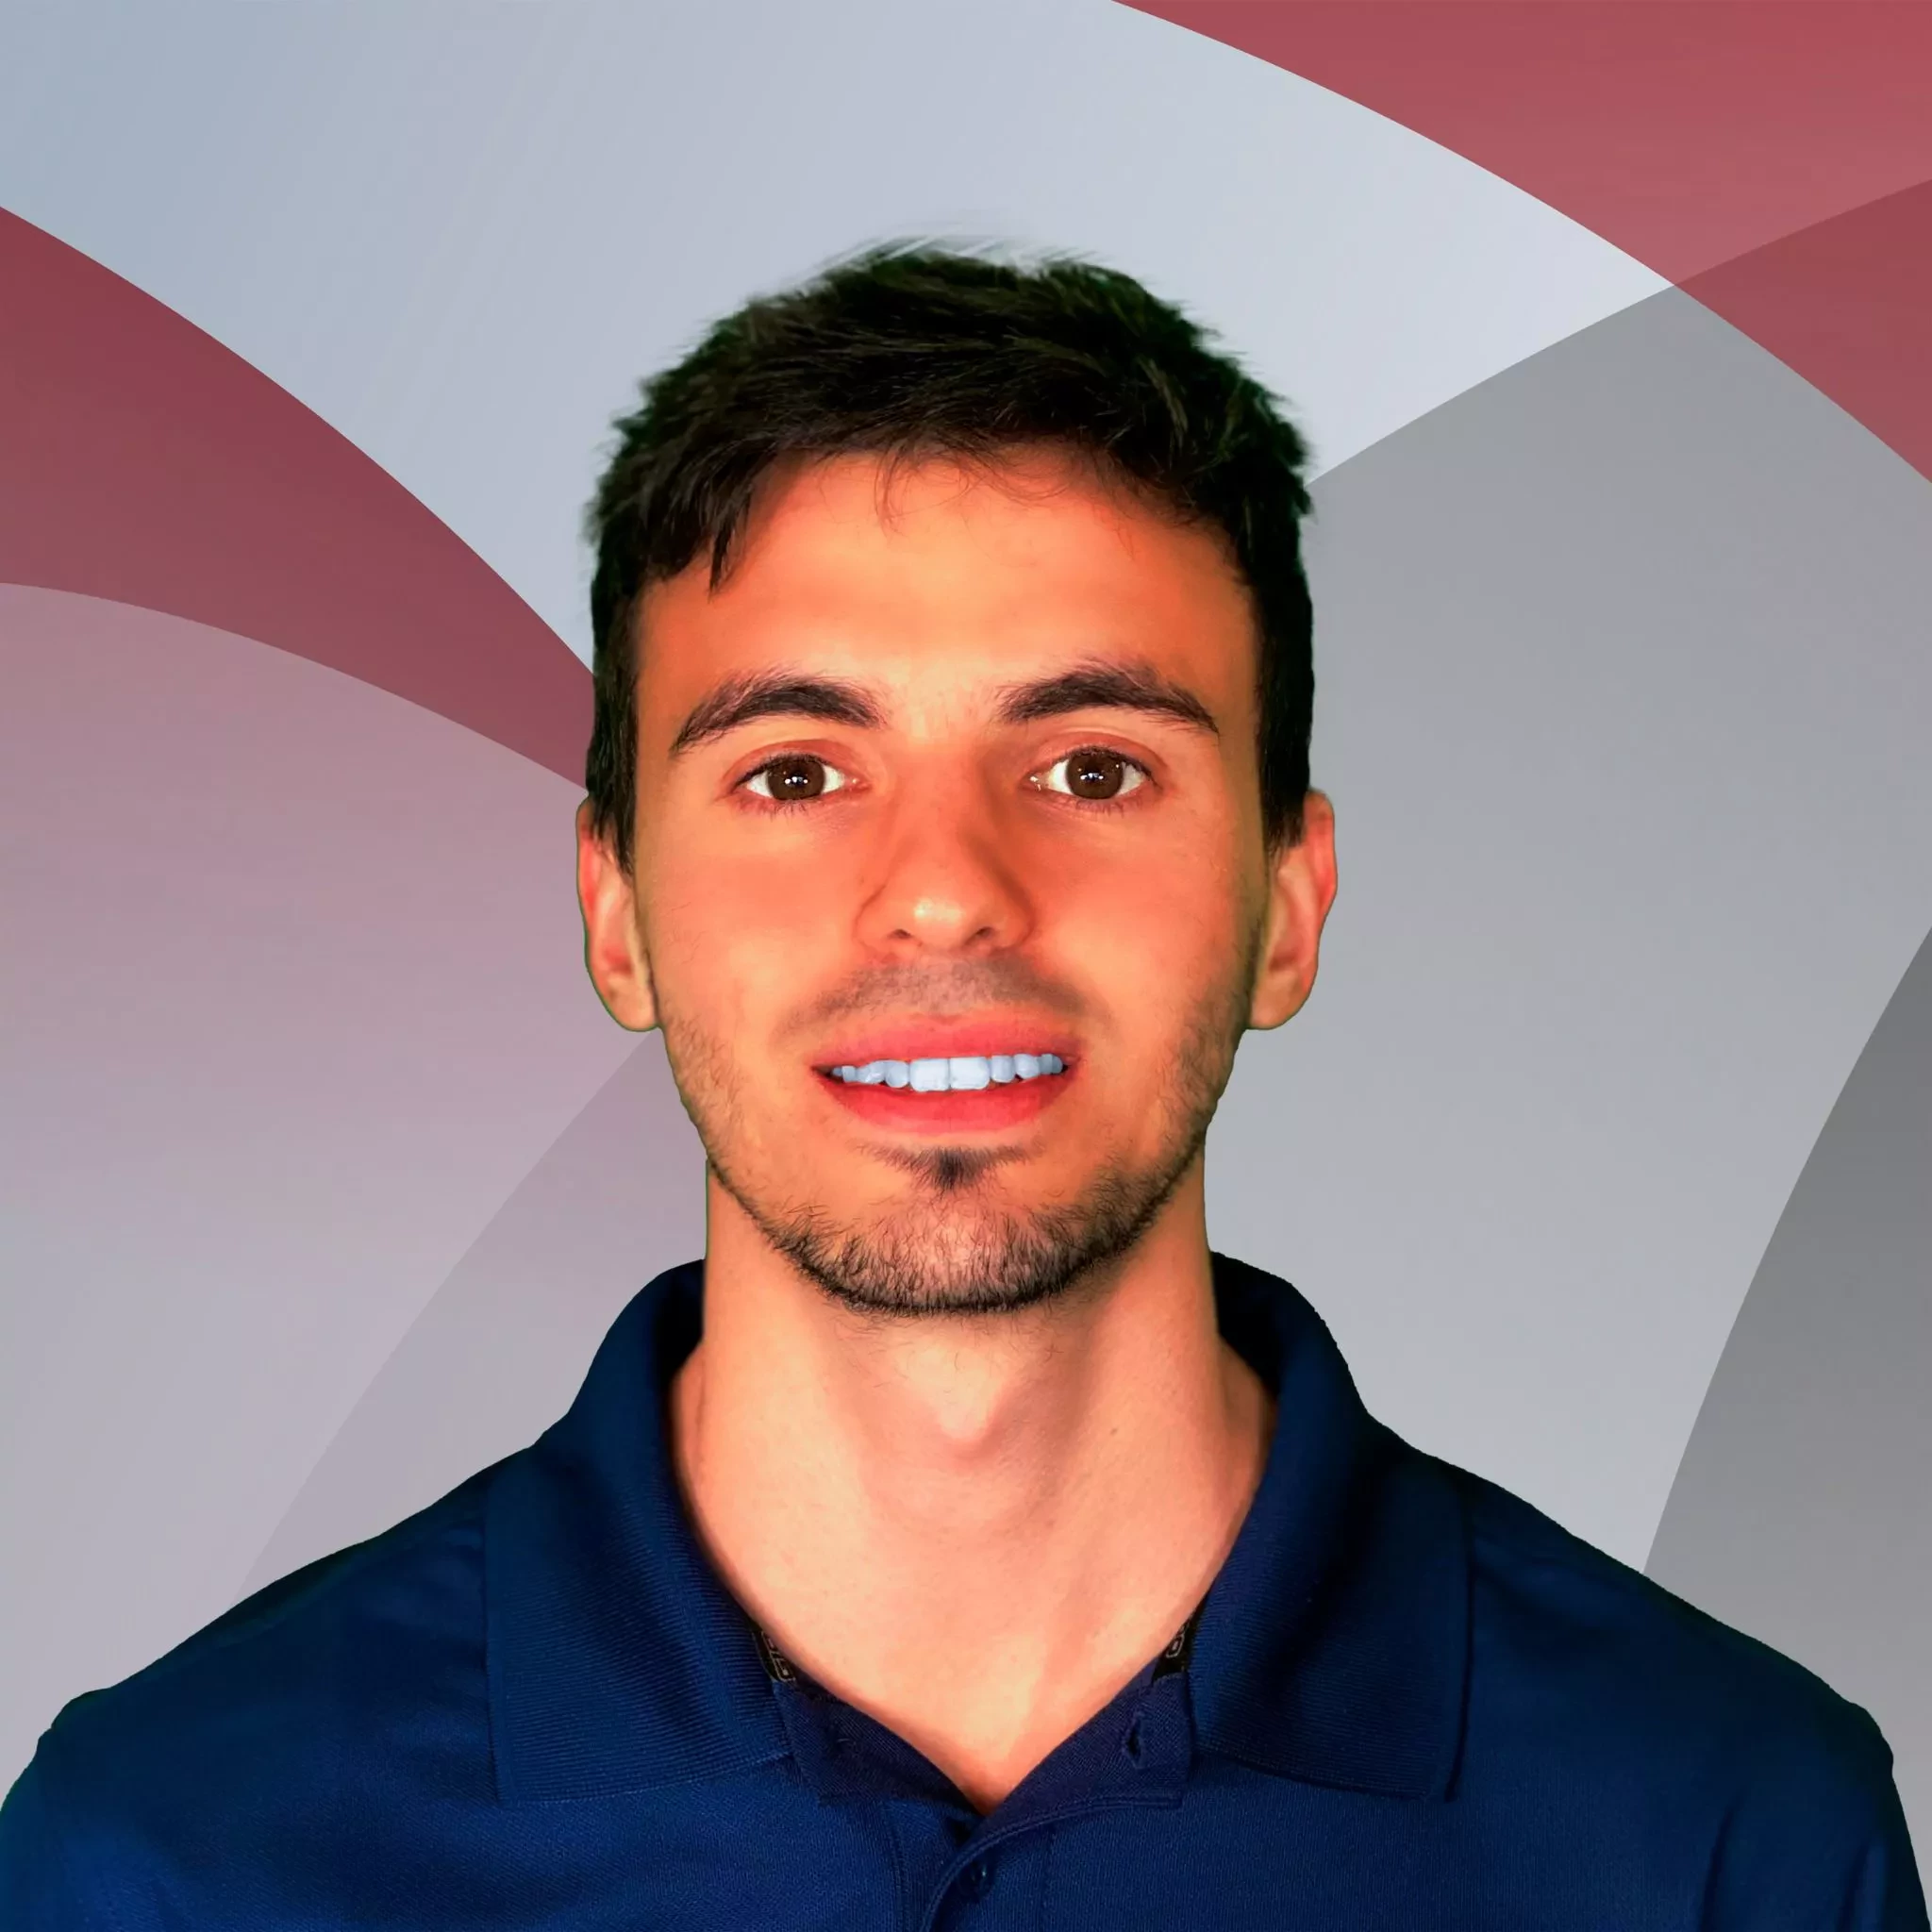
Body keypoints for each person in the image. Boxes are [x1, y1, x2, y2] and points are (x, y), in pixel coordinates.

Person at [2, 246, 1924, 1931]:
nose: (942, 887)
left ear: (1286, 903)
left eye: (1091, 767)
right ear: (615, 911)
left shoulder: (1720, 1835)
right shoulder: (173, 1856)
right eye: (795, 772)